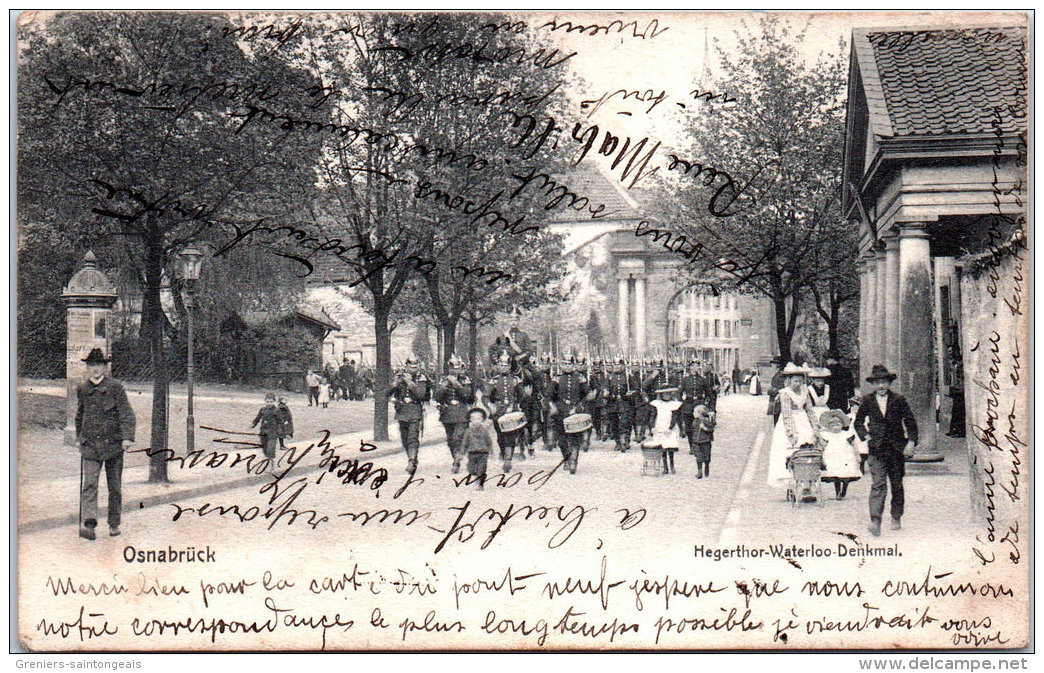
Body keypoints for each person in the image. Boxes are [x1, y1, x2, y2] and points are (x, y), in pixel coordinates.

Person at [75, 348, 135, 540]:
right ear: (87, 367)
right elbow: (80, 415)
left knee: (114, 487)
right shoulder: (83, 389)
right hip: (90, 445)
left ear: (105, 367)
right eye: (91, 365)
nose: (95, 369)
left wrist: (127, 438)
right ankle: (89, 524)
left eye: (99, 365)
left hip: (113, 446)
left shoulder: (116, 387)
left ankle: (114, 523)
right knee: (89, 484)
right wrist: (79, 437)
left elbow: (126, 414)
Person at [854, 364, 918, 537]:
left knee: (896, 484)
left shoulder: (899, 399)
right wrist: (866, 436)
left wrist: (911, 442)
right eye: (877, 383)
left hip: (896, 449)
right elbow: (858, 422)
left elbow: (910, 421)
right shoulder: (867, 400)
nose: (881, 386)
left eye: (884, 382)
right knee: (878, 484)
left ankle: (896, 516)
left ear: (889, 383)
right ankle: (875, 521)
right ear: (872, 385)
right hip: (876, 449)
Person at [766, 363, 820, 492]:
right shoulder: (785, 393)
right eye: (795, 381)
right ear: (789, 381)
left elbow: (809, 409)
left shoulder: (805, 391)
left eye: (800, 381)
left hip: (804, 422)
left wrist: (815, 426)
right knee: (790, 451)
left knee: (807, 450)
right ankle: (791, 486)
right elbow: (787, 414)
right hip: (790, 423)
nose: (798, 384)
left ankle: (807, 483)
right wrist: (791, 432)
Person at [435, 354, 476, 474]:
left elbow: (468, 396)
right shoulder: (444, 380)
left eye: (457, 368)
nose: (455, 371)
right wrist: (444, 387)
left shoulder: (465, 380)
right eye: (453, 368)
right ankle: (456, 457)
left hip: (461, 413)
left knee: (458, 437)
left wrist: (457, 384)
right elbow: (437, 397)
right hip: (447, 414)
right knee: (450, 440)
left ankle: (457, 461)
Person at [389, 358, 431, 474]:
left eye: (415, 366)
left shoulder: (421, 378)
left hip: (415, 410)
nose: (413, 368)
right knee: (404, 439)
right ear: (406, 366)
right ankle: (412, 458)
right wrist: (395, 384)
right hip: (402, 411)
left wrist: (409, 382)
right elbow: (387, 392)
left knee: (413, 437)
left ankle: (411, 461)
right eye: (411, 366)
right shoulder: (399, 375)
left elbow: (421, 394)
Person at [488, 352, 526, 472]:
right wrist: (491, 406)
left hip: (511, 410)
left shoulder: (515, 380)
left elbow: (522, 395)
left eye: (506, 365)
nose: (504, 368)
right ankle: (505, 454)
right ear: (498, 366)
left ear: (510, 367)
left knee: (511, 436)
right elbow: (486, 396)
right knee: (500, 437)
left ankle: (508, 460)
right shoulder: (493, 381)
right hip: (498, 412)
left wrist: (516, 404)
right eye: (501, 365)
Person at [551, 358, 588, 474]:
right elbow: (548, 395)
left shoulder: (580, 378)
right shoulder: (557, 378)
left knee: (575, 438)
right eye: (564, 364)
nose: (567, 366)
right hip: (560, 411)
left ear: (573, 365)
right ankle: (566, 459)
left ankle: (573, 462)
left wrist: (579, 406)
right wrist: (552, 406)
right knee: (562, 440)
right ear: (561, 365)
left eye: (569, 364)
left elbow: (586, 395)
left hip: (575, 410)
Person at [818, 409, 862, 500]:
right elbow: (823, 446)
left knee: (845, 475)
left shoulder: (846, 435)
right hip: (832, 457)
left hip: (845, 457)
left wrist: (857, 455)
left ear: (842, 425)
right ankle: (837, 492)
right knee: (836, 475)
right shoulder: (827, 435)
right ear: (829, 426)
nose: (835, 427)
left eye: (837, 425)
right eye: (832, 425)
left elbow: (854, 445)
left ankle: (844, 490)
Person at [643, 386, 683, 474]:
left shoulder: (674, 404)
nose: (667, 396)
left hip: (669, 427)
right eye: (665, 394)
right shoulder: (656, 404)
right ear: (661, 395)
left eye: (669, 394)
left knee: (670, 447)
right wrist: (652, 427)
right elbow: (652, 416)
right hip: (659, 426)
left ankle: (672, 465)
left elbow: (675, 417)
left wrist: (670, 427)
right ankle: (665, 467)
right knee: (662, 447)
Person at [461, 407, 495, 490]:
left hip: (483, 452)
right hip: (472, 452)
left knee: (482, 468)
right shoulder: (468, 431)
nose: (476, 421)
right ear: (470, 420)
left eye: (478, 419)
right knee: (471, 469)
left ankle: (481, 484)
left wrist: (491, 452)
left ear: (482, 420)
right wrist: (462, 453)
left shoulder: (485, 430)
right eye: (474, 419)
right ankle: (476, 477)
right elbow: (465, 442)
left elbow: (489, 441)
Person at [251, 393, 282, 473]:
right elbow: (257, 418)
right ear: (265, 401)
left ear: (274, 401)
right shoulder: (262, 409)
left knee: (270, 450)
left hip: (272, 433)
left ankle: (272, 467)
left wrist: (284, 432)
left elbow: (280, 421)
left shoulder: (277, 410)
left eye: (271, 401)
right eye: (267, 401)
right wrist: (253, 424)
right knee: (265, 450)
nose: (269, 403)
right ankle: (269, 464)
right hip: (263, 433)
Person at [692, 403, 716, 479]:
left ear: (701, 414)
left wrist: (705, 428)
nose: (694, 414)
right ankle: (699, 472)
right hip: (696, 442)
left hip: (705, 442)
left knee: (706, 457)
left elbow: (711, 429)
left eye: (695, 412)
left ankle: (706, 466)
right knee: (698, 457)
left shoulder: (705, 420)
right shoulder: (695, 421)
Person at [766, 358, 787, 424]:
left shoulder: (780, 375)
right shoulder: (777, 374)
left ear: (778, 365)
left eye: (773, 364)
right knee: (774, 415)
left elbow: (781, 388)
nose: (772, 365)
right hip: (774, 398)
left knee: (777, 416)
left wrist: (771, 391)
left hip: (777, 399)